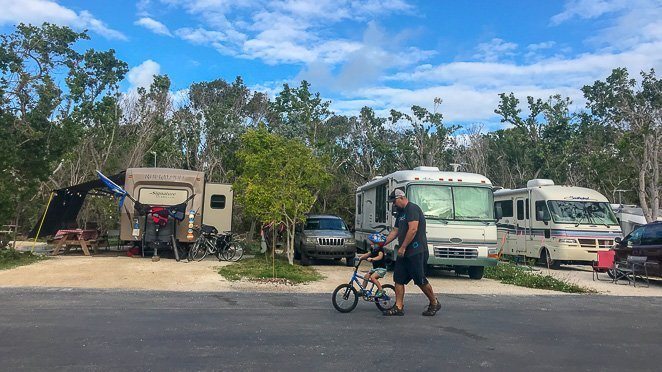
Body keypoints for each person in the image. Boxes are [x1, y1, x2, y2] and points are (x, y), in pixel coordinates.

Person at [382, 188, 441, 316]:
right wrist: (382, 243)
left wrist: (403, 247)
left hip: (417, 251)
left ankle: (434, 302)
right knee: (398, 278)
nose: (393, 204)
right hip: (404, 252)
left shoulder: (412, 209)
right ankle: (398, 307)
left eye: (394, 201)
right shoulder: (400, 213)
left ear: (401, 198)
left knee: (420, 280)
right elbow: (395, 231)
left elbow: (413, 229)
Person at [358, 233, 387, 297]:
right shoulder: (373, 250)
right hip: (375, 269)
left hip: (381, 269)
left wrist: (372, 259)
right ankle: (363, 289)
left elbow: (380, 257)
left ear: (378, 244)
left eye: (373, 243)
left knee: (373, 277)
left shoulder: (380, 250)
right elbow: (367, 254)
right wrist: (360, 257)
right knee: (366, 276)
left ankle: (381, 290)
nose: (371, 244)